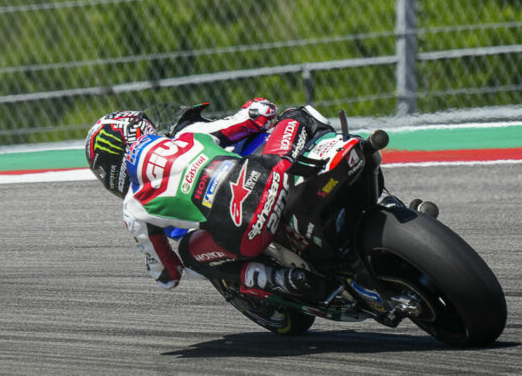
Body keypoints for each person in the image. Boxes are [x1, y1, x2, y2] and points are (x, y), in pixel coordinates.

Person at [84, 98, 336, 298]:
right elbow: (260, 115)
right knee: (299, 114)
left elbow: (168, 275)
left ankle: (281, 280)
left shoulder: (133, 206)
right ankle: (339, 150)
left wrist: (157, 269)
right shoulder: (190, 134)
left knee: (190, 257)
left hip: (246, 230)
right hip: (276, 175)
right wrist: (255, 105)